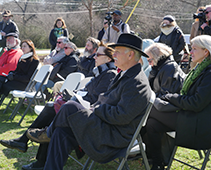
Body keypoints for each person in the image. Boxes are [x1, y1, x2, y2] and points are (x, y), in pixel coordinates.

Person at [26, 33, 152, 170]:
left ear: (130, 55)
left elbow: (121, 116)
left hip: (114, 135)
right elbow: (105, 99)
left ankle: (47, 133)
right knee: (61, 133)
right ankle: (50, 142)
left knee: (70, 107)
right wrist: (92, 107)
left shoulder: (137, 82)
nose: (113, 55)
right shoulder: (126, 74)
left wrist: (94, 109)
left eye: (117, 52)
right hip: (104, 125)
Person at [0, 42, 118, 170]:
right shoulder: (101, 73)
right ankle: (36, 153)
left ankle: (31, 147)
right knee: (53, 110)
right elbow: (87, 93)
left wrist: (76, 98)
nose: (94, 57)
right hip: (78, 110)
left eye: (98, 55)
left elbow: (96, 100)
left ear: (108, 58)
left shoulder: (110, 75)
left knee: (52, 111)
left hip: (87, 117)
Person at [144, 35, 211, 170]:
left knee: (148, 110)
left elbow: (196, 103)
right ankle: (158, 163)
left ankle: (121, 144)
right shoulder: (199, 69)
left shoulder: (209, 73)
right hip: (188, 115)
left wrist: (171, 97)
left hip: (199, 124)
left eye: (194, 49)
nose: (190, 52)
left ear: (206, 52)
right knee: (151, 124)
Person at [0, 39, 39, 107]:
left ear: (30, 48)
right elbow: (16, 71)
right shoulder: (22, 57)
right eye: (22, 46)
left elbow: (28, 78)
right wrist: (11, 73)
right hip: (16, 79)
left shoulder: (34, 61)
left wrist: (14, 76)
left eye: (24, 46)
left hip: (24, 84)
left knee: (1, 85)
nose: (22, 48)